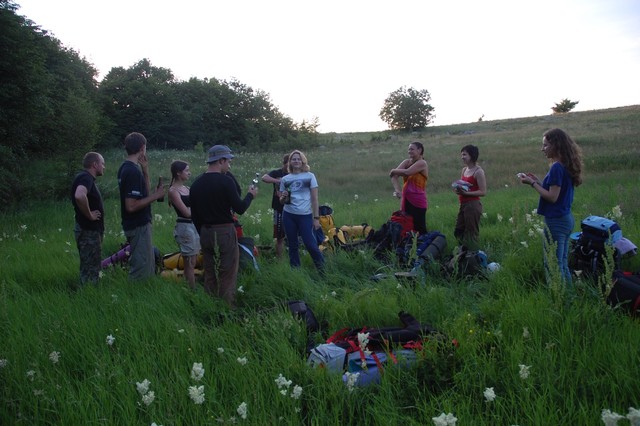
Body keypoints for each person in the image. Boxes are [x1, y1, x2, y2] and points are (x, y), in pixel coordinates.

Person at [190, 145, 258, 306]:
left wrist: (203, 231)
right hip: (225, 232)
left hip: (204, 231)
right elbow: (240, 208)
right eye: (228, 161)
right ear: (220, 161)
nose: (229, 165)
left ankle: (210, 305)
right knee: (227, 272)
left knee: (210, 271)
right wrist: (250, 195)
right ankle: (226, 309)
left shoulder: (196, 184)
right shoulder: (226, 181)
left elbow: (195, 215)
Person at [519, 128, 583, 285]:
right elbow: (556, 192)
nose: (542, 149)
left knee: (552, 264)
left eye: (545, 145)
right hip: (566, 219)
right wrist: (539, 182)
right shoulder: (566, 165)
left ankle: (558, 299)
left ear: (556, 145)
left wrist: (532, 183)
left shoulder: (556, 167)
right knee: (561, 262)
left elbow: (552, 197)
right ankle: (568, 295)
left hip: (556, 221)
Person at [117, 132, 166, 280]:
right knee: (141, 268)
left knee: (147, 263)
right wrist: (156, 196)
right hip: (137, 225)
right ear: (142, 147)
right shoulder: (131, 171)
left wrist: (145, 171)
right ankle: (136, 295)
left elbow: (143, 194)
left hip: (139, 225)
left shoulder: (128, 167)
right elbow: (131, 206)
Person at [279, 150, 324, 271]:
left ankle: (322, 270)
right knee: (292, 245)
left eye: (299, 159)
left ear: (303, 161)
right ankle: (295, 271)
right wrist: (283, 197)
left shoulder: (310, 176)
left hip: (305, 215)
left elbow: (315, 199)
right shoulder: (285, 179)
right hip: (288, 215)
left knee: (310, 244)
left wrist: (316, 219)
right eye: (294, 159)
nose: (296, 161)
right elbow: (282, 201)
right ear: (290, 162)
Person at [71, 152, 106, 285]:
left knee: (90, 266)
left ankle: (88, 293)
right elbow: (79, 195)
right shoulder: (85, 177)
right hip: (88, 232)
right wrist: (90, 215)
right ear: (94, 164)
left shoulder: (85, 178)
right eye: (102, 163)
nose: (104, 167)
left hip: (90, 231)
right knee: (91, 269)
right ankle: (88, 295)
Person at [168, 160, 201, 289]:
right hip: (185, 227)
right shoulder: (173, 191)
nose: (189, 173)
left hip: (195, 226)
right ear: (178, 173)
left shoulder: (187, 189)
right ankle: (191, 289)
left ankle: (192, 286)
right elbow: (186, 213)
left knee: (194, 259)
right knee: (189, 262)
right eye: (186, 170)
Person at [390, 141, 429, 234]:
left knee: (419, 227)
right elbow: (394, 176)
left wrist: (392, 170)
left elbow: (407, 172)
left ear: (419, 150)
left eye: (412, 149)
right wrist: (397, 190)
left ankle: (423, 245)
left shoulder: (422, 163)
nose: (409, 151)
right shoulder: (406, 162)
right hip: (406, 199)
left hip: (418, 200)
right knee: (407, 224)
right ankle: (409, 245)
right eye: (408, 149)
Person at [453, 145, 487, 249]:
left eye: (464, 154)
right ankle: (462, 251)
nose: (462, 157)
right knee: (459, 230)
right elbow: (463, 185)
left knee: (471, 232)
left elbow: (483, 192)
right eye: (461, 154)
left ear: (472, 156)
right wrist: (457, 189)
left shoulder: (478, 172)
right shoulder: (464, 170)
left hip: (473, 205)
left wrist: (466, 194)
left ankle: (472, 255)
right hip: (463, 204)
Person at [261, 154, 290, 258]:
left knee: (293, 234)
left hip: (292, 208)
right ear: (284, 163)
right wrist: (279, 181)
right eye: (288, 163)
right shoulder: (277, 172)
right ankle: (279, 259)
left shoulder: (295, 174)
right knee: (279, 236)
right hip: (279, 208)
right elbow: (264, 178)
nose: (290, 166)